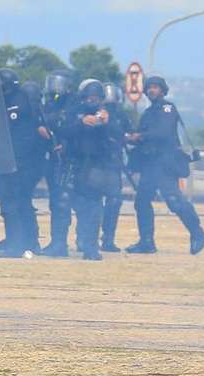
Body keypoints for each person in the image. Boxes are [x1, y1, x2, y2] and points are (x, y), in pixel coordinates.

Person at [125, 76, 204, 255]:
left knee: (174, 201)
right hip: (150, 164)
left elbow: (162, 132)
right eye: (149, 88)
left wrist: (140, 136)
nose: (151, 91)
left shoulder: (167, 108)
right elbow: (144, 135)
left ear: (163, 90)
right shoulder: (148, 112)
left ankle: (198, 233)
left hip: (165, 163)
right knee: (141, 202)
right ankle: (146, 242)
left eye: (155, 87)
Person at [64, 79, 121, 261]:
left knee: (95, 207)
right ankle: (80, 239)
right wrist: (81, 122)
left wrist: (107, 122)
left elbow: (120, 135)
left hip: (98, 167)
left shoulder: (109, 114)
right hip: (76, 165)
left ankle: (91, 247)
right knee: (76, 205)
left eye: (96, 97)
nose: (92, 100)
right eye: (89, 97)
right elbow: (63, 131)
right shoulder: (74, 112)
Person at [0, 75, 49, 257]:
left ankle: (16, 244)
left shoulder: (18, 105)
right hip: (24, 164)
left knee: (12, 203)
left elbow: (19, 139)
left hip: (20, 164)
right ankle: (29, 242)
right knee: (22, 203)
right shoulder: (31, 111)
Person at [40, 69, 76, 257]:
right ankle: (56, 241)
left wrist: (65, 146)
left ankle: (61, 243)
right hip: (51, 159)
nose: (55, 87)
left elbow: (73, 130)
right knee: (56, 201)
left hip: (67, 160)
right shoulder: (48, 105)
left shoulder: (73, 106)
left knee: (63, 201)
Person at [100, 82, 132, 252]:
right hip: (96, 162)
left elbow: (128, 134)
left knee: (114, 201)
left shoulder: (121, 115)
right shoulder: (94, 112)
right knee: (92, 201)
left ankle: (108, 238)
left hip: (114, 163)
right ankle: (85, 238)